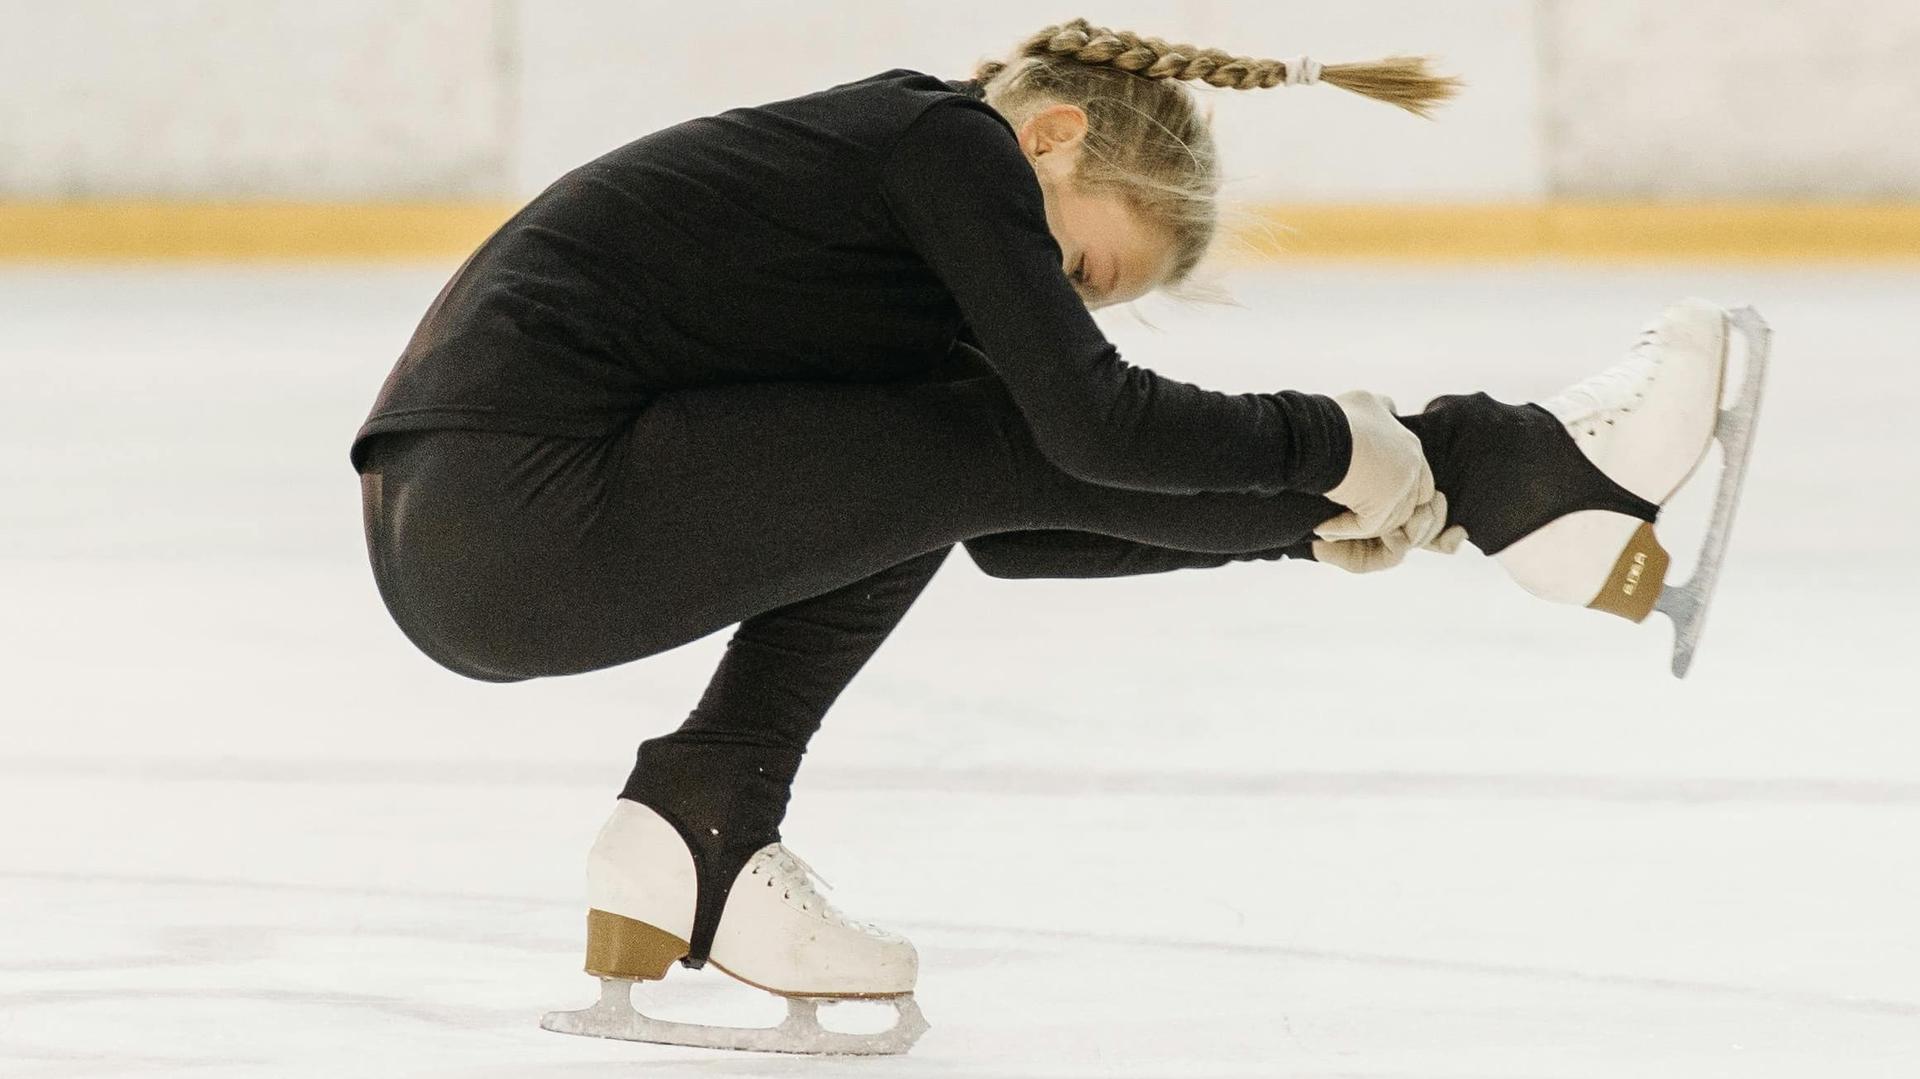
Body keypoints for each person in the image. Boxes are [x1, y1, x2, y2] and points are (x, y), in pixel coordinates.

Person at [350, 17, 1757, 1056]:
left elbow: (1023, 528)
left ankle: (696, 834)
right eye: (1084, 268)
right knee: (978, 427)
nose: (1066, 304)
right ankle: (1514, 465)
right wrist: (1342, 443)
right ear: (1056, 138)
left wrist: (1301, 528)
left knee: (944, 444)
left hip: (480, 531)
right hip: (516, 504)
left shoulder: (894, 207)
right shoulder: (943, 139)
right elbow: (1083, 432)